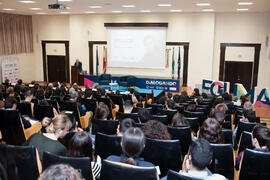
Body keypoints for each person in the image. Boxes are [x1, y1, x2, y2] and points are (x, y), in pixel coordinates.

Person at [161, 139, 226, 180]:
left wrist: (184, 171)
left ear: (189, 158)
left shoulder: (169, 177)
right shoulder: (220, 178)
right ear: (210, 162)